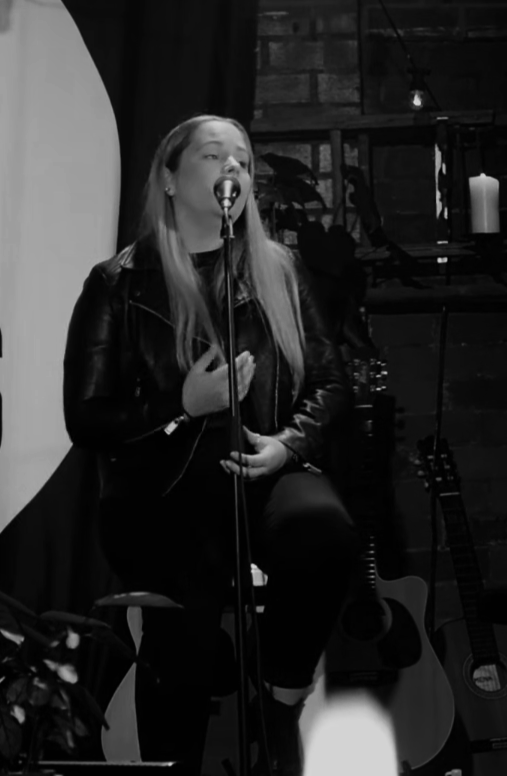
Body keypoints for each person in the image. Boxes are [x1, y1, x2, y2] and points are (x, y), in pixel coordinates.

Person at [63, 114, 360, 776]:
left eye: (244, 161)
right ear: (169, 179)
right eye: (212, 156)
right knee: (185, 626)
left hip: (259, 466)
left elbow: (334, 381)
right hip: (160, 492)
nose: (234, 170)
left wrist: (287, 443)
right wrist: (182, 405)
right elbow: (86, 416)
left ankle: (278, 699)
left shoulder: (277, 269)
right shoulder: (119, 282)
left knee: (324, 530)